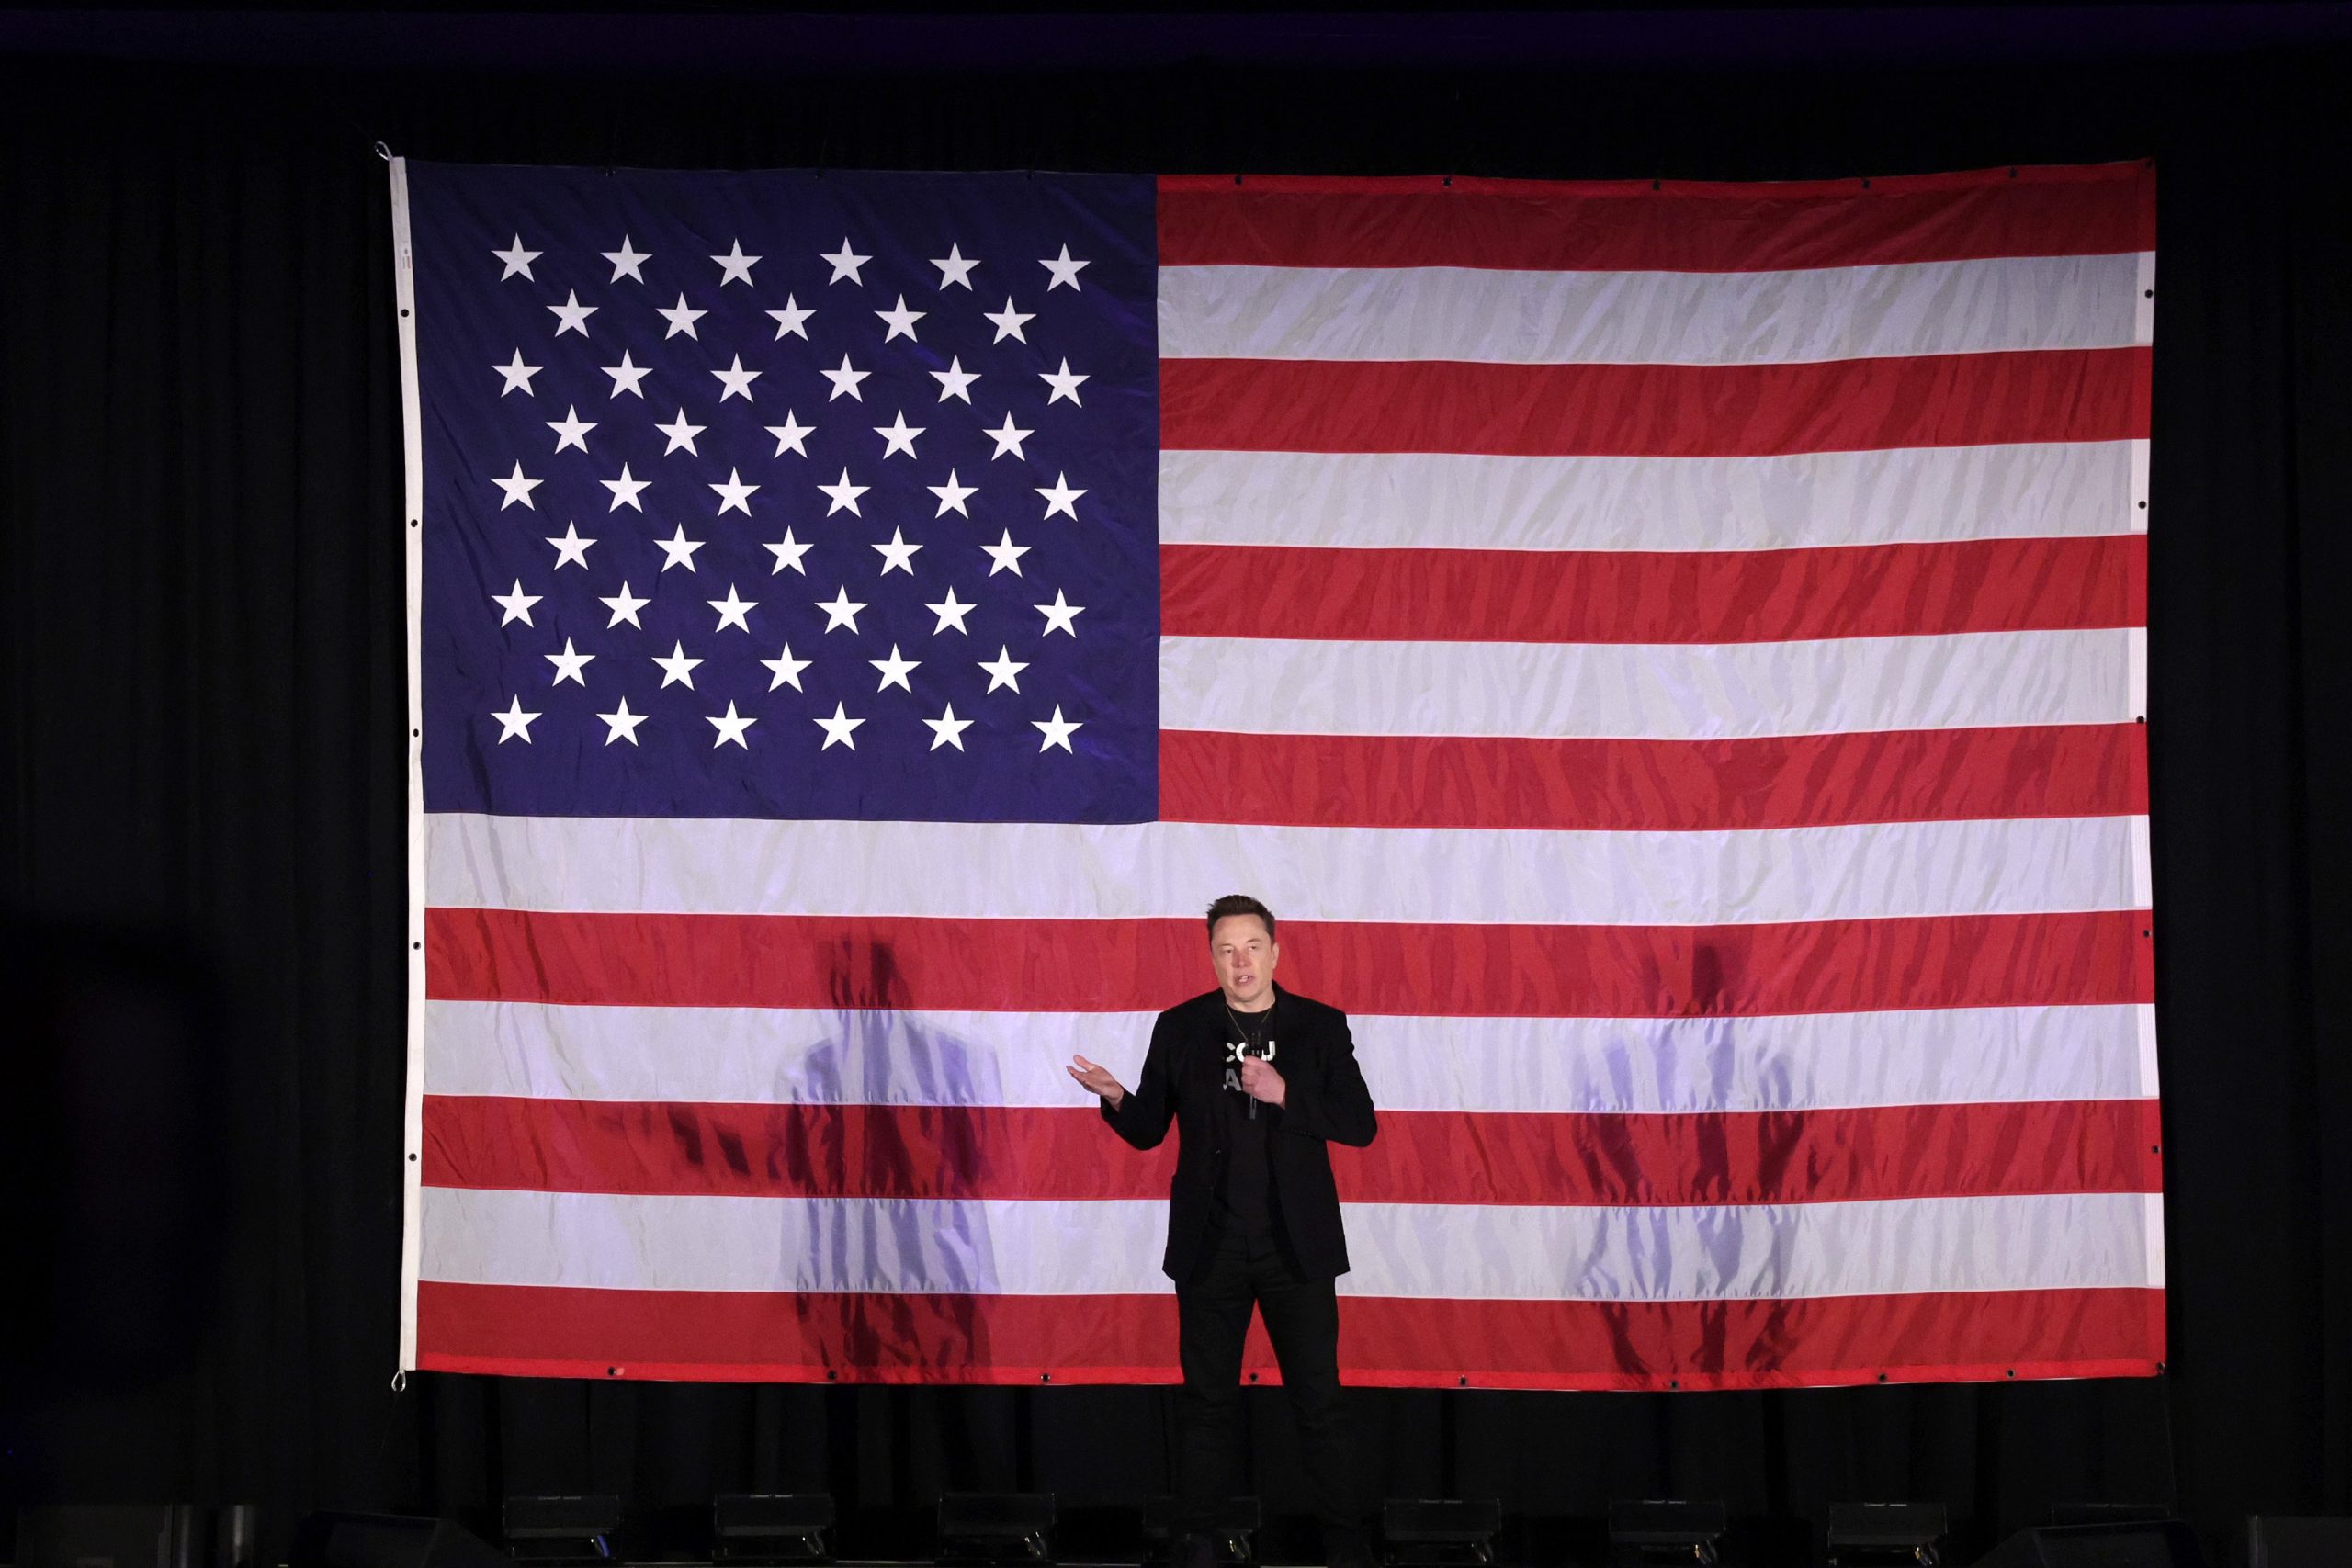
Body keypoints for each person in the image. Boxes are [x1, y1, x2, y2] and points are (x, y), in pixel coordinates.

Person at [1067, 894, 1379, 1568]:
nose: (1240, 961)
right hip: (1211, 1248)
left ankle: (1348, 1549)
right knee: (1206, 1405)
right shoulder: (1180, 1028)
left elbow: (1360, 1123)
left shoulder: (1319, 1028)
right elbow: (1150, 1127)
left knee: (1319, 1405)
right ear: (1212, 956)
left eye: (1252, 947)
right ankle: (1196, 1545)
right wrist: (1116, 1096)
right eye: (1226, 950)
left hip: (1295, 1249)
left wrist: (1287, 1093)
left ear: (1276, 950)